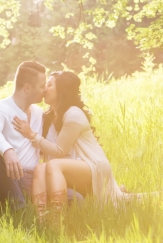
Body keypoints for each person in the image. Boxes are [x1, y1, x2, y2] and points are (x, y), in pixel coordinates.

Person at [12, 68, 124, 215]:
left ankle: (57, 215)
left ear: (61, 90)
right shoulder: (49, 117)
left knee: (52, 165)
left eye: (49, 85)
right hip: (70, 169)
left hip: (94, 168)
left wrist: (31, 134)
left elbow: (59, 151)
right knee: (40, 168)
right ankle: (40, 216)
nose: (45, 88)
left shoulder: (73, 114)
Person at [0, 61, 47, 211]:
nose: (45, 90)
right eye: (43, 86)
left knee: (76, 197)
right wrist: (7, 150)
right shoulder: (1, 108)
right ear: (27, 88)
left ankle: (23, 203)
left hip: (32, 180)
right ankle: (20, 210)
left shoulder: (39, 114)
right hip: (4, 177)